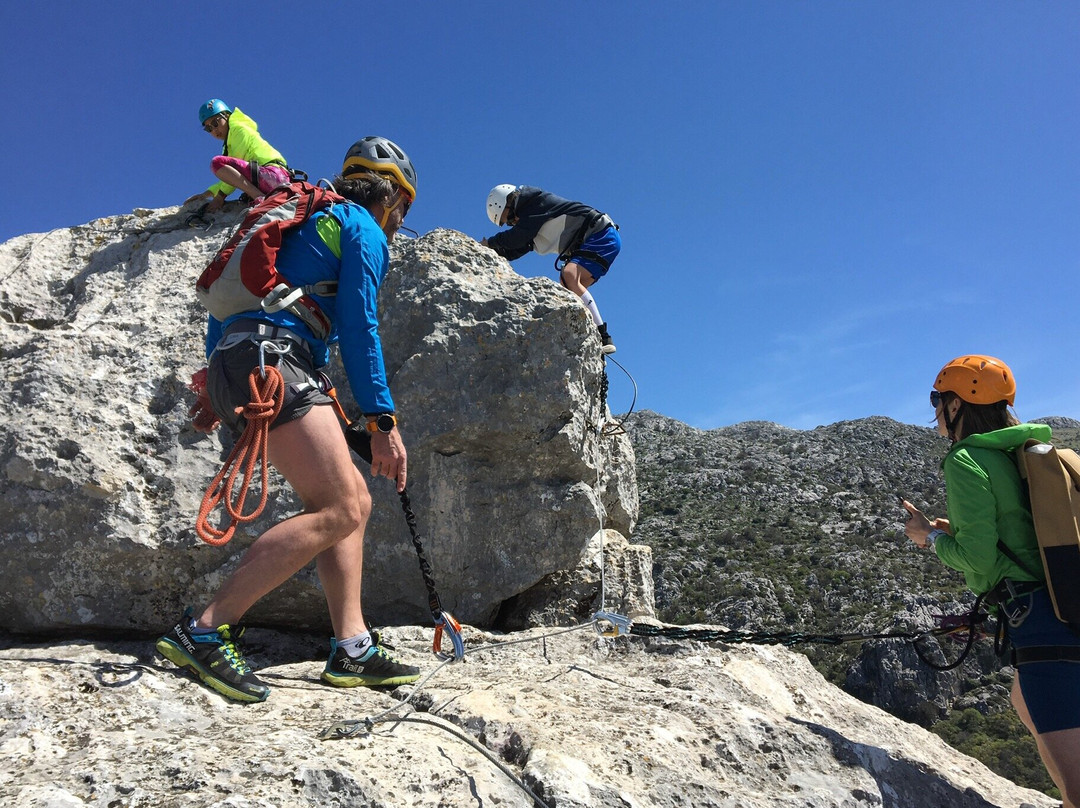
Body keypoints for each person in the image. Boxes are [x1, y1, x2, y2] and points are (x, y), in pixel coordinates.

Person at [158, 136, 421, 703]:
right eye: (402, 210)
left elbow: (234, 304)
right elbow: (359, 326)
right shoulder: (361, 226)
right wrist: (381, 421)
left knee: (353, 499)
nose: (399, 221)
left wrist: (216, 378)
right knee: (341, 507)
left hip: (247, 358)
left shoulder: (302, 217)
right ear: (395, 200)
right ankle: (203, 629)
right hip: (276, 361)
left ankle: (353, 647)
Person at [901, 354, 1080, 805]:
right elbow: (1020, 529)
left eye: (937, 399)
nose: (934, 411)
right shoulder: (1012, 452)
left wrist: (928, 539)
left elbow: (977, 557)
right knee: (1023, 701)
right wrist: (951, 527)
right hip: (1065, 601)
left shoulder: (965, 460)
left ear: (958, 404)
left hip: (1039, 619)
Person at [482, 184, 621, 354]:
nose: (512, 223)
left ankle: (603, 334)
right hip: (598, 239)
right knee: (568, 286)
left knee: (569, 275)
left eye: (509, 219)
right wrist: (492, 254)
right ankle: (590, 338)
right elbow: (517, 248)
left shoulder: (534, 203)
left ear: (506, 204)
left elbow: (517, 237)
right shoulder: (531, 222)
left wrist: (489, 244)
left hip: (600, 234)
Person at [184, 99, 290, 213]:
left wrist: (220, 197)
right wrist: (207, 193)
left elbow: (233, 170)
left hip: (273, 176)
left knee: (216, 163)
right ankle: (259, 196)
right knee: (221, 165)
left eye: (215, 123)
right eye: (208, 128)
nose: (214, 130)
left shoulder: (238, 130)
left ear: (226, 115)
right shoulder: (230, 141)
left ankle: (260, 198)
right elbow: (232, 176)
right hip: (272, 179)